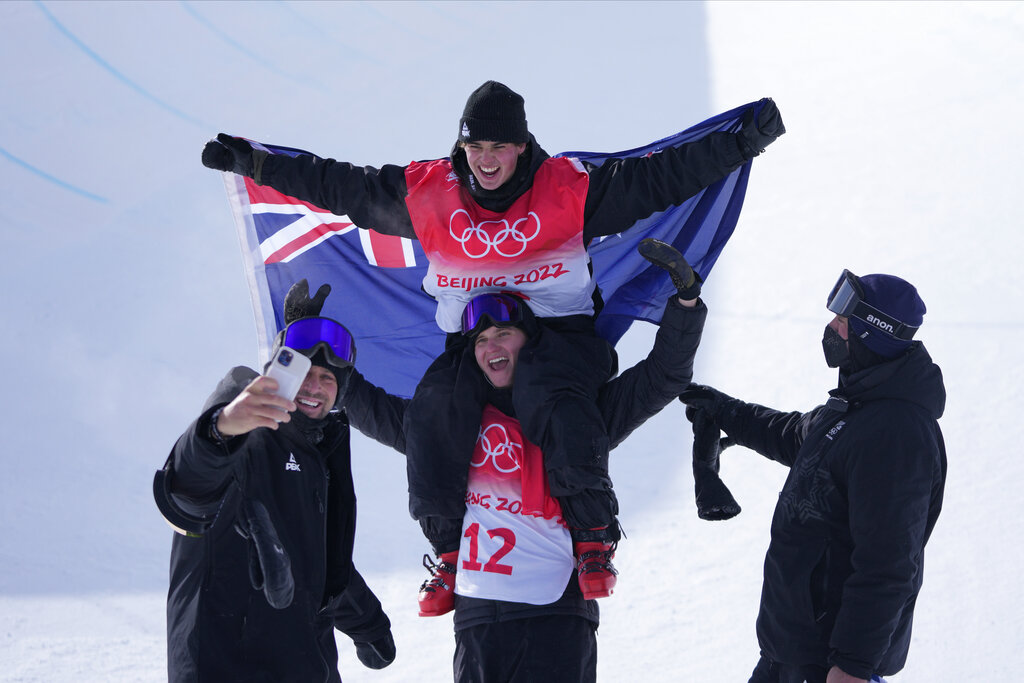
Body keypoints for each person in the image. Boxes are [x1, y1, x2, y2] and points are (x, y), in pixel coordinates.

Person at [201, 81, 785, 611]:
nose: (485, 160)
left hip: (558, 340)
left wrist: (741, 144)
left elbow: (663, 177)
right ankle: (449, 552)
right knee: (432, 411)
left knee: (550, 394)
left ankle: (591, 537)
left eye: (498, 148)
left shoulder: (570, 189)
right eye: (474, 147)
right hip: (473, 341)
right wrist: (256, 163)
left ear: (522, 148)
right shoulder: (429, 193)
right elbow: (341, 185)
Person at [340, 243, 708, 681]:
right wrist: (313, 345)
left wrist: (686, 303)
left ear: (529, 344)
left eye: (503, 334)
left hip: (557, 609)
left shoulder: (580, 414)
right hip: (479, 614)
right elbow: (366, 406)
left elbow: (663, 376)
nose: (490, 345)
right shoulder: (445, 425)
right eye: (480, 340)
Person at [680, 270, 946, 683]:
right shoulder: (855, 409)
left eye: (843, 317)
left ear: (872, 331)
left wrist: (853, 666)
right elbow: (794, 435)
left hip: (828, 664)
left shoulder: (897, 433)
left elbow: (889, 561)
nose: (831, 326)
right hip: (786, 652)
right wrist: (725, 410)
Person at [154, 283, 395, 682]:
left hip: (306, 664)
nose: (314, 386)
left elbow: (321, 559)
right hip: (227, 666)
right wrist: (221, 428)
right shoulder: (246, 439)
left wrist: (368, 622)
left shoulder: (320, 457)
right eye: (301, 373)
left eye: (327, 378)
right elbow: (188, 490)